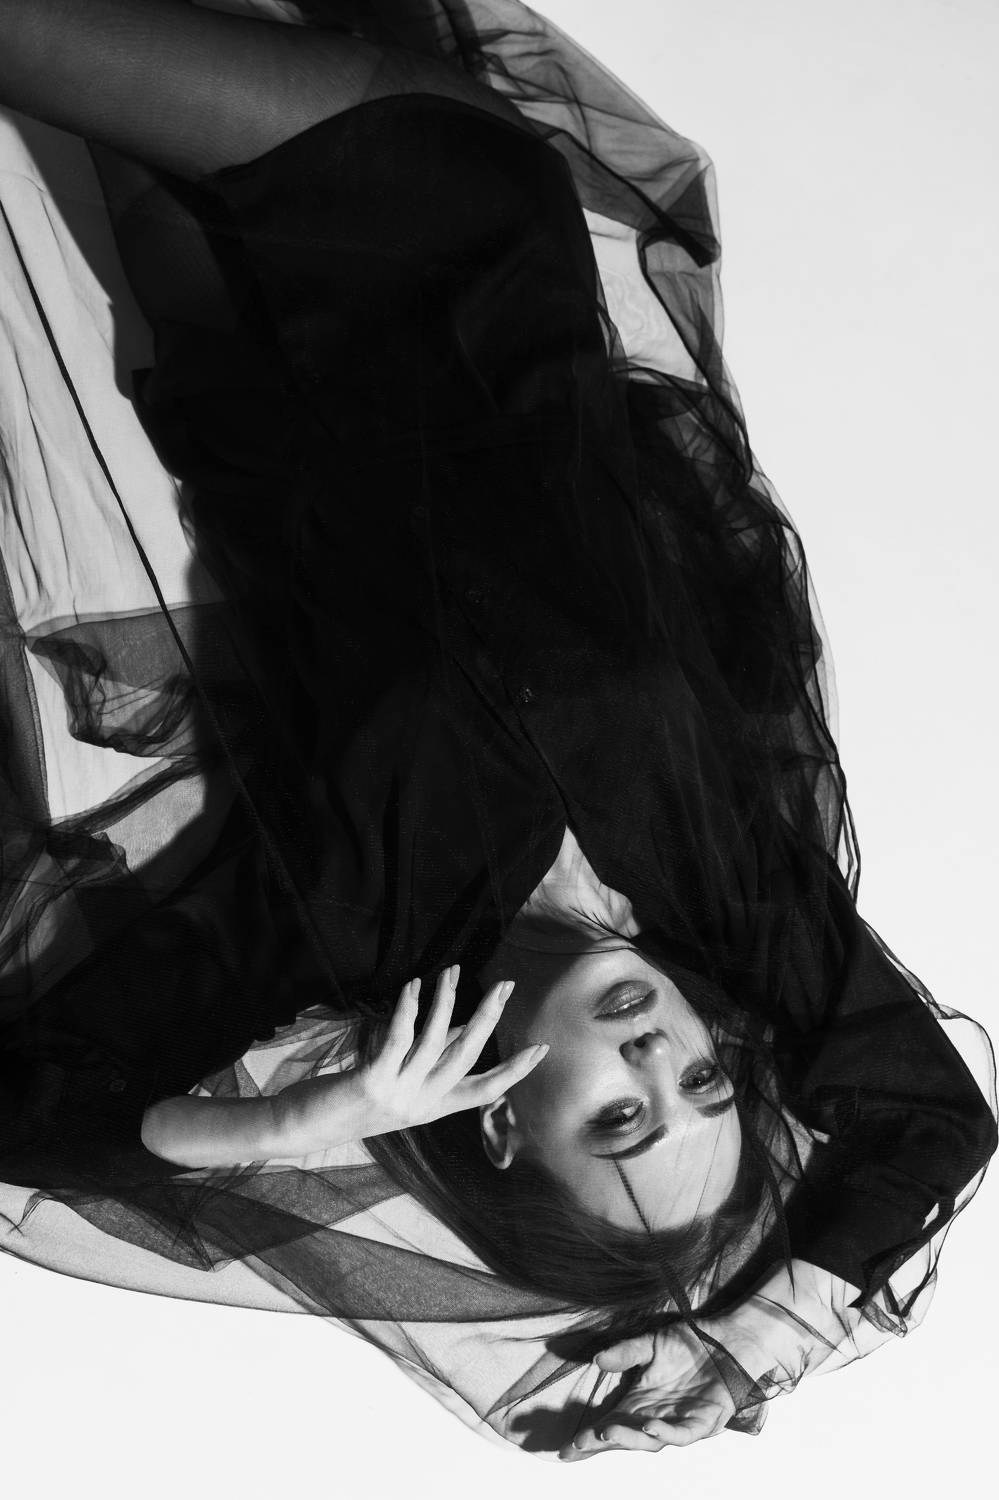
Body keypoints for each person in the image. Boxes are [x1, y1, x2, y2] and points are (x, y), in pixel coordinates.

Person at [0, 0, 994, 1460]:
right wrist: (745, 1346)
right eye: (706, 1081)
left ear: (506, 1129)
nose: (658, 1055)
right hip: (453, 215)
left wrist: (295, 1122)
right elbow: (937, 1125)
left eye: (622, 1119)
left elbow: (27, 1112)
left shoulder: (341, 927)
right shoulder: (731, 887)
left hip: (233, 319)